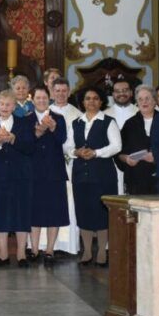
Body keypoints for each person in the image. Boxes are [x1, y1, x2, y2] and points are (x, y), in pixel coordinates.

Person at [66, 87, 121, 266]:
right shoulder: (76, 123)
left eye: (95, 98)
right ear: (82, 102)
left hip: (103, 174)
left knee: (102, 213)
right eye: (88, 98)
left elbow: (116, 146)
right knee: (84, 211)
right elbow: (66, 145)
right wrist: (76, 151)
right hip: (81, 174)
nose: (91, 101)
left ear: (101, 101)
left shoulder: (108, 122)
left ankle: (102, 253)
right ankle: (87, 251)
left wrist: (96, 153)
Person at [0, 90, 35, 267]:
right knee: (1, 214)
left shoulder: (24, 124)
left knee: (22, 214)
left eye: (8, 104)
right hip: (0, 177)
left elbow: (30, 148)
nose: (4, 107)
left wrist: (12, 139)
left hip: (21, 176)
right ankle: (3, 254)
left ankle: (21, 254)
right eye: (1, 104)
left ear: (14, 106)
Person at [27, 85, 68, 266]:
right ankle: (34, 249)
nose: (42, 101)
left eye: (44, 98)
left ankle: (50, 249)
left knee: (54, 211)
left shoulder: (58, 118)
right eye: (38, 98)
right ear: (33, 100)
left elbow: (62, 139)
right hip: (34, 172)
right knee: (34, 212)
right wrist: (37, 132)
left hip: (54, 172)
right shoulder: (26, 119)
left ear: (49, 99)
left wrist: (52, 128)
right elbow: (25, 145)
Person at [46, 77, 81, 255]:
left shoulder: (77, 114)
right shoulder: (45, 111)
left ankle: (67, 245)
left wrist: (71, 152)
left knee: (69, 203)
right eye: (57, 90)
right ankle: (48, 246)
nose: (60, 94)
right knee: (48, 203)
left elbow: (77, 141)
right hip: (49, 165)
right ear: (52, 92)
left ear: (69, 92)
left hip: (70, 164)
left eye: (63, 90)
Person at [116, 84, 157, 196]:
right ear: (137, 103)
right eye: (140, 99)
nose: (144, 102)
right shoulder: (130, 124)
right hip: (135, 179)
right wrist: (127, 159)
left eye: (147, 98)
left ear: (154, 101)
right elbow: (119, 152)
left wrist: (156, 158)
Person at [105, 77, 138, 195]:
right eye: (118, 91)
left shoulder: (139, 112)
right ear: (113, 94)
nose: (121, 94)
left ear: (131, 92)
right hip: (111, 165)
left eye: (125, 90)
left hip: (135, 163)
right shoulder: (105, 115)